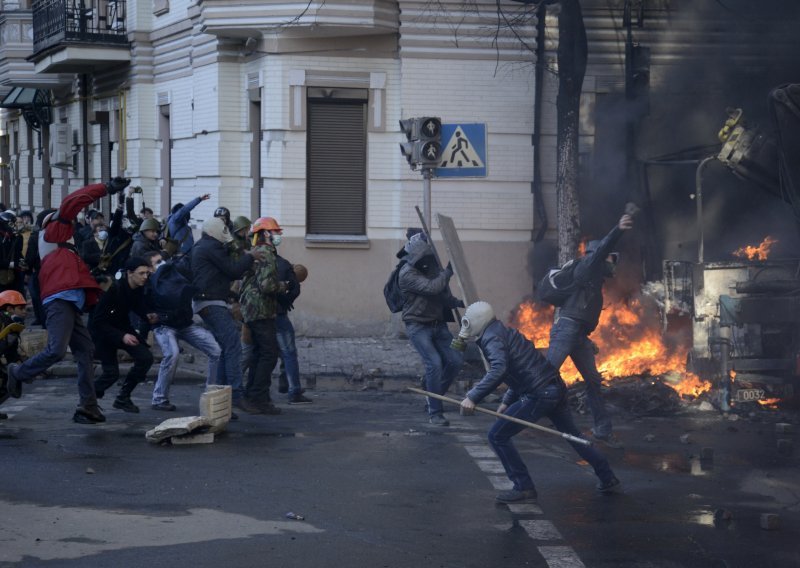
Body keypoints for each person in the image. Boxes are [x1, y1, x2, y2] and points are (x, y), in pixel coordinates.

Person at [456, 301, 621, 503]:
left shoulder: (492, 339)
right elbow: (519, 368)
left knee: (497, 436)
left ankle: (523, 487)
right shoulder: (502, 332)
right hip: (554, 387)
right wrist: (508, 401)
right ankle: (607, 477)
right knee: (573, 435)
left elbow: (499, 370)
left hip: (539, 394)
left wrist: (472, 397)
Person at [6, 177, 131, 424]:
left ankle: (88, 406)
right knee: (57, 351)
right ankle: (17, 372)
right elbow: (72, 202)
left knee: (85, 350)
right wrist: (106, 188)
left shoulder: (62, 243)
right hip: (59, 300)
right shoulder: (55, 229)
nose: (72, 220)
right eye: (66, 217)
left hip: (69, 301)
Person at [545, 212, 634, 449]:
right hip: (566, 330)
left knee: (593, 381)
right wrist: (619, 229)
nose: (615, 265)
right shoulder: (588, 267)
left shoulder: (594, 280)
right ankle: (509, 408)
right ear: (602, 258)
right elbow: (603, 248)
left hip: (578, 335)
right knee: (544, 374)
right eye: (612, 259)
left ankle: (603, 430)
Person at [192, 216, 264, 410]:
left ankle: (221, 400)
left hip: (209, 301)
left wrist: (231, 294)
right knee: (233, 344)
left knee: (224, 349)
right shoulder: (211, 247)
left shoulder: (204, 246)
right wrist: (250, 257)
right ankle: (236, 395)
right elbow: (232, 270)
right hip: (211, 302)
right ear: (216, 231)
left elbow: (219, 274)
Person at [398, 231, 464, 426]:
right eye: (423, 258)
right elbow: (432, 288)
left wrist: (457, 302)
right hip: (418, 326)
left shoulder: (429, 267)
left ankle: (433, 395)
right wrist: (448, 271)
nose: (427, 261)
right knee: (434, 363)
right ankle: (435, 412)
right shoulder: (407, 274)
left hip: (438, 324)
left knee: (456, 360)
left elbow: (440, 295)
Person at [146, 252, 221, 411]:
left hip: (185, 324)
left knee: (215, 350)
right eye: (157, 262)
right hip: (164, 326)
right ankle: (159, 399)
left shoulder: (175, 277)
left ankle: (211, 394)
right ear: (149, 269)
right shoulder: (149, 285)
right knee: (171, 354)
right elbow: (148, 314)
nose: (163, 264)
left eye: (162, 260)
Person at [89, 256, 156, 414]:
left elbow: (137, 305)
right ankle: (88, 400)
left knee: (145, 357)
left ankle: (123, 397)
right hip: (103, 334)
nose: (145, 277)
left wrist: (147, 314)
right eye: (141, 273)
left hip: (122, 329)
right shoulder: (112, 289)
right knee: (111, 374)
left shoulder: (137, 288)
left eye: (147, 273)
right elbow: (98, 321)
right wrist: (122, 336)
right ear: (129, 273)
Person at [238, 217, 285, 414]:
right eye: (274, 232)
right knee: (269, 353)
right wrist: (283, 286)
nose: (278, 235)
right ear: (265, 234)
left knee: (259, 353)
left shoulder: (257, 251)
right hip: (260, 309)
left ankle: (252, 395)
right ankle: (259, 398)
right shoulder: (266, 253)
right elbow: (267, 286)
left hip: (252, 309)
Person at [274, 250, 311, 404]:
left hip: (257, 317)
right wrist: (285, 302)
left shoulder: (253, 261)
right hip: (277, 314)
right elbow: (294, 290)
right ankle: (294, 390)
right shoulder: (283, 265)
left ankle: (242, 392)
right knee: (288, 352)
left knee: (256, 354)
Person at [0, 290, 27, 417]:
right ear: (10, 308)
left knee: (10, 377)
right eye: (21, 308)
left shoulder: (13, 324)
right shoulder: (3, 322)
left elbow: (11, 349)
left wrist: (18, 360)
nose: (24, 312)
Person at [164, 193, 210, 257]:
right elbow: (184, 209)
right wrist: (199, 199)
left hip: (187, 255)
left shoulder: (184, 225)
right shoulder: (175, 220)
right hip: (180, 256)